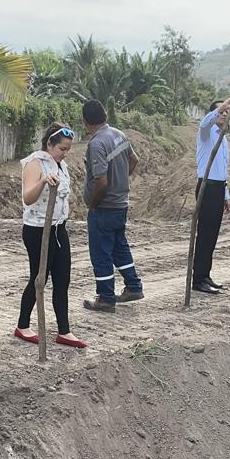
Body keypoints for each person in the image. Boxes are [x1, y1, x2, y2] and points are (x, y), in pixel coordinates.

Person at [15, 124, 87, 348]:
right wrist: (43, 181)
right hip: (38, 230)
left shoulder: (61, 165)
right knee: (39, 278)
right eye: (62, 149)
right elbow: (28, 198)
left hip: (58, 228)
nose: (65, 153)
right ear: (49, 144)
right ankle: (22, 326)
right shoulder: (34, 163)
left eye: (67, 149)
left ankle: (64, 331)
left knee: (63, 279)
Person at [81, 99, 145, 313]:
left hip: (104, 207)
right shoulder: (119, 134)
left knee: (100, 254)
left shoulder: (97, 144)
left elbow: (101, 183)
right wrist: (121, 180)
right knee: (119, 247)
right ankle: (133, 287)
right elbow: (134, 160)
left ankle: (106, 298)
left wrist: (93, 205)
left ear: (85, 121)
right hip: (121, 204)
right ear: (105, 116)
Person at [193, 91, 230, 294]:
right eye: (221, 112)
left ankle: (205, 275)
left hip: (218, 189)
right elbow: (205, 122)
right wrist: (224, 104)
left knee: (212, 235)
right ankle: (198, 279)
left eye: (227, 113)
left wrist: (226, 195)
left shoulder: (223, 139)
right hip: (206, 187)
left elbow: (222, 169)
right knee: (204, 234)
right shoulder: (206, 132)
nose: (224, 115)